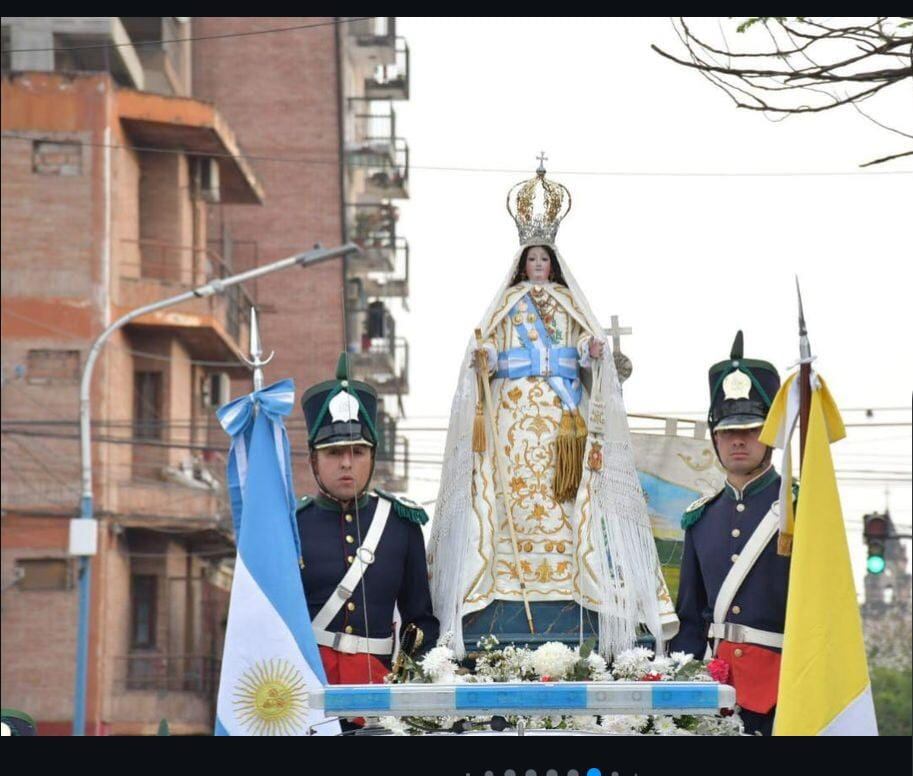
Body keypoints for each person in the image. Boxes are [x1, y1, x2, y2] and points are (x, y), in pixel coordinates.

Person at [427, 160, 678, 658]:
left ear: (553, 265)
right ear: (522, 264)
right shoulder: (506, 307)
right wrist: (485, 359)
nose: (538, 268)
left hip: (564, 418)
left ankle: (571, 570)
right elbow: (490, 354)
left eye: (545, 261)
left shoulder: (568, 306)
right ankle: (505, 570)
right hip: (513, 416)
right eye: (532, 261)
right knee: (514, 489)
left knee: (567, 493)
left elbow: (586, 347)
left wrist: (593, 353)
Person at [669, 331, 790, 736]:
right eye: (727, 431)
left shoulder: (798, 508)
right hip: (716, 694)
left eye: (752, 428)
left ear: (770, 435)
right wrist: (678, 691)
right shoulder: (700, 519)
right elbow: (690, 620)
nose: (738, 439)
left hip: (784, 692)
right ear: (715, 437)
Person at [297, 353, 438, 686]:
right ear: (314, 460)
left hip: (379, 687)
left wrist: (409, 684)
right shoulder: (293, 526)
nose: (347, 463)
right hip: (309, 688)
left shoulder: (401, 524)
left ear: (372, 456)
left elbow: (419, 620)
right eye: (334, 452)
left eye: (358, 452)